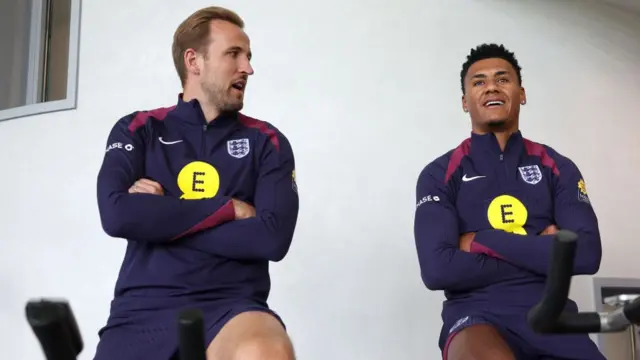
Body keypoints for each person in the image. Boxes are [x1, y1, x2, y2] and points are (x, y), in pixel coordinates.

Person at [93, 6, 299, 360]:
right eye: (233, 54)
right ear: (194, 61)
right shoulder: (138, 128)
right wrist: (228, 209)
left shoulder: (267, 140)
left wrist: (159, 217)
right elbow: (116, 215)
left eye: (248, 56)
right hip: (143, 309)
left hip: (232, 307)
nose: (247, 68)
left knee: (267, 351)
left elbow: (272, 238)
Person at [413, 43, 604, 360]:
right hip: (476, 318)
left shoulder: (557, 166)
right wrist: (542, 253)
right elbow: (437, 270)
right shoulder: (438, 174)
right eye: (479, 81)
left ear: (522, 93)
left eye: (503, 79)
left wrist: (482, 241)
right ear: (465, 102)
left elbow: (587, 254)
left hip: (552, 318)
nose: (491, 86)